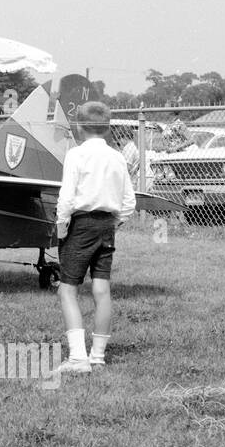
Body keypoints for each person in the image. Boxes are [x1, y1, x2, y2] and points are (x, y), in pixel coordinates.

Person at [53, 101, 136, 374]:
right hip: (106, 226)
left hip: (81, 224)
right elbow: (129, 202)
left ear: (78, 126)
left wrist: (62, 225)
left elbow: (66, 196)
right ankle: (97, 356)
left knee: (68, 288)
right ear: (108, 127)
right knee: (101, 290)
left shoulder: (76, 155)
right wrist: (116, 222)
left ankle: (77, 358)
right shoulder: (117, 157)